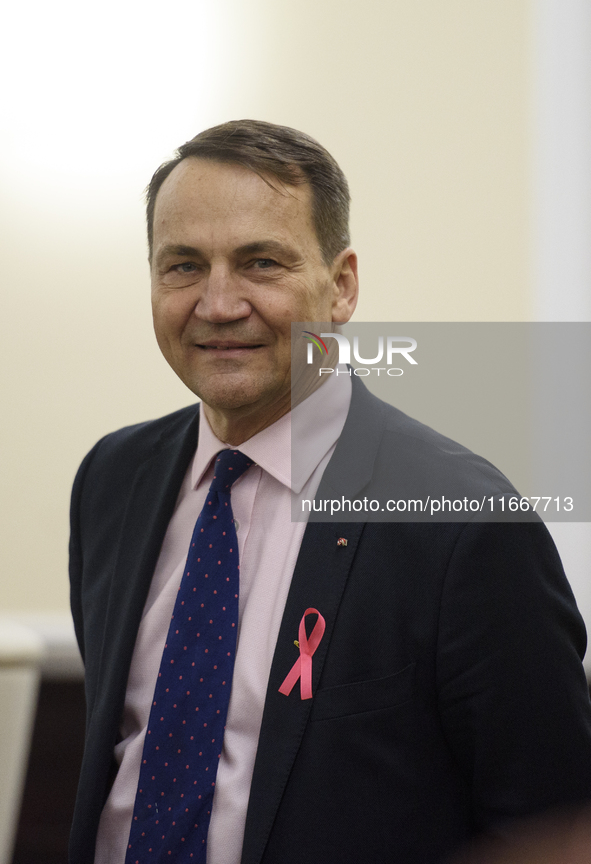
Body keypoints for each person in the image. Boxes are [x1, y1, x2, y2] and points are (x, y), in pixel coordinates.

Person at [68, 120, 591, 864]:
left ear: (340, 286)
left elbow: (550, 828)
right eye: (183, 266)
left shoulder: (465, 525)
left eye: (260, 263)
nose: (218, 303)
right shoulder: (110, 481)